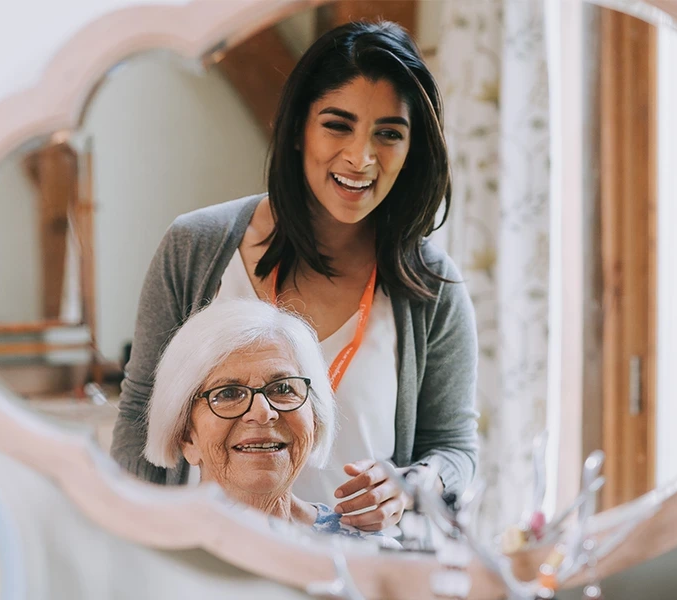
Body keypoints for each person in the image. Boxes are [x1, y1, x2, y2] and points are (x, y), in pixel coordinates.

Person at [112, 20, 479, 532]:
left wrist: (413, 485)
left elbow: (455, 447)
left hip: (358, 573)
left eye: (388, 134)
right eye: (337, 124)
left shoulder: (432, 284)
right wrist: (154, 553)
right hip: (218, 563)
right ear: (297, 131)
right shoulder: (195, 247)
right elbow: (139, 424)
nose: (361, 157)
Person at [143, 298, 393, 546]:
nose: (263, 412)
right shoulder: (150, 553)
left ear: (315, 419)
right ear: (187, 437)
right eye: (228, 393)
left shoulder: (370, 553)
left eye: (283, 388)